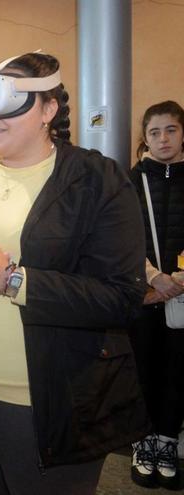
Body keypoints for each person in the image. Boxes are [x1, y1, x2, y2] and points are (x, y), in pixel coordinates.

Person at [0, 52, 149, 494]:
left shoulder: (96, 180)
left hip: (49, 404)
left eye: (9, 103)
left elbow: (121, 296)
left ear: (49, 109)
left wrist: (10, 280)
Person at [128, 100, 184, 489]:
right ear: (144, 138)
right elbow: (123, 239)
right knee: (143, 368)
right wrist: (154, 278)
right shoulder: (131, 180)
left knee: (178, 372)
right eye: (154, 132)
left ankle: (167, 441)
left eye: (171, 130)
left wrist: (180, 278)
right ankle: (143, 441)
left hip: (182, 293)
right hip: (145, 294)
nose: (163, 139)